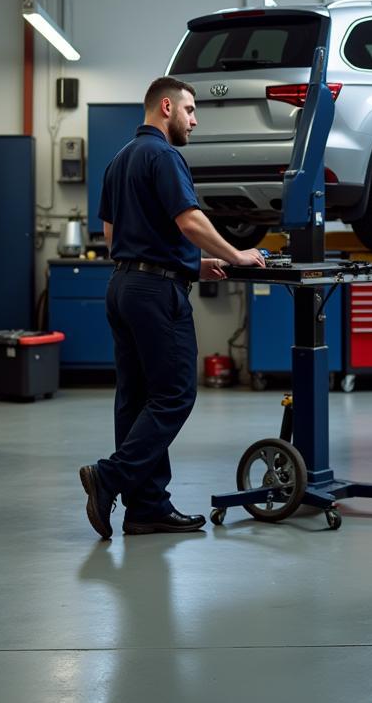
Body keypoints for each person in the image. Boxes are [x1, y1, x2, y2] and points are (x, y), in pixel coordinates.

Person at [80, 76, 266, 538]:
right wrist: (233, 255)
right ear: (166, 107)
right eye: (190, 110)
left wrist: (190, 264)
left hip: (123, 285)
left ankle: (146, 508)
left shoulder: (119, 160)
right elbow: (189, 219)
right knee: (175, 394)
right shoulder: (164, 155)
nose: (194, 120)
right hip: (155, 294)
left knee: (137, 398)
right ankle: (110, 477)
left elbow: (112, 235)